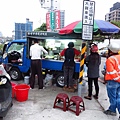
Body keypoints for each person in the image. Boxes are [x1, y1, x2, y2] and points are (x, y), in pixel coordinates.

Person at [103, 42, 120, 120]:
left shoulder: (110, 59)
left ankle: (112, 110)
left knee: (113, 97)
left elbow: (111, 72)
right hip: (118, 81)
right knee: (118, 97)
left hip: (113, 81)